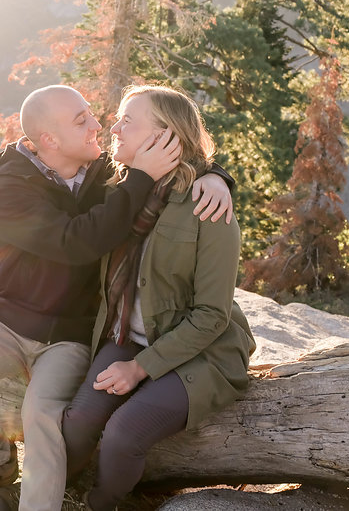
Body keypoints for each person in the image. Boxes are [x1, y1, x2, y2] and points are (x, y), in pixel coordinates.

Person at [0, 84, 234, 511]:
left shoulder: (117, 174)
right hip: (21, 323)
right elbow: (76, 242)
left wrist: (218, 176)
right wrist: (146, 175)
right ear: (50, 140)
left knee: (55, 419)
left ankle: (59, 503)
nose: (103, 125)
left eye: (105, 116)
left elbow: (181, 150)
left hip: (90, 335)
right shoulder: (33, 186)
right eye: (82, 120)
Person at [60, 84, 256, 511]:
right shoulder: (118, 191)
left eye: (128, 120)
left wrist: (139, 369)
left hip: (201, 353)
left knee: (123, 433)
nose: (114, 126)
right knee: (77, 422)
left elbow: (211, 316)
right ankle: (52, 493)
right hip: (126, 336)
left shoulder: (208, 206)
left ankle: (101, 503)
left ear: (165, 135)